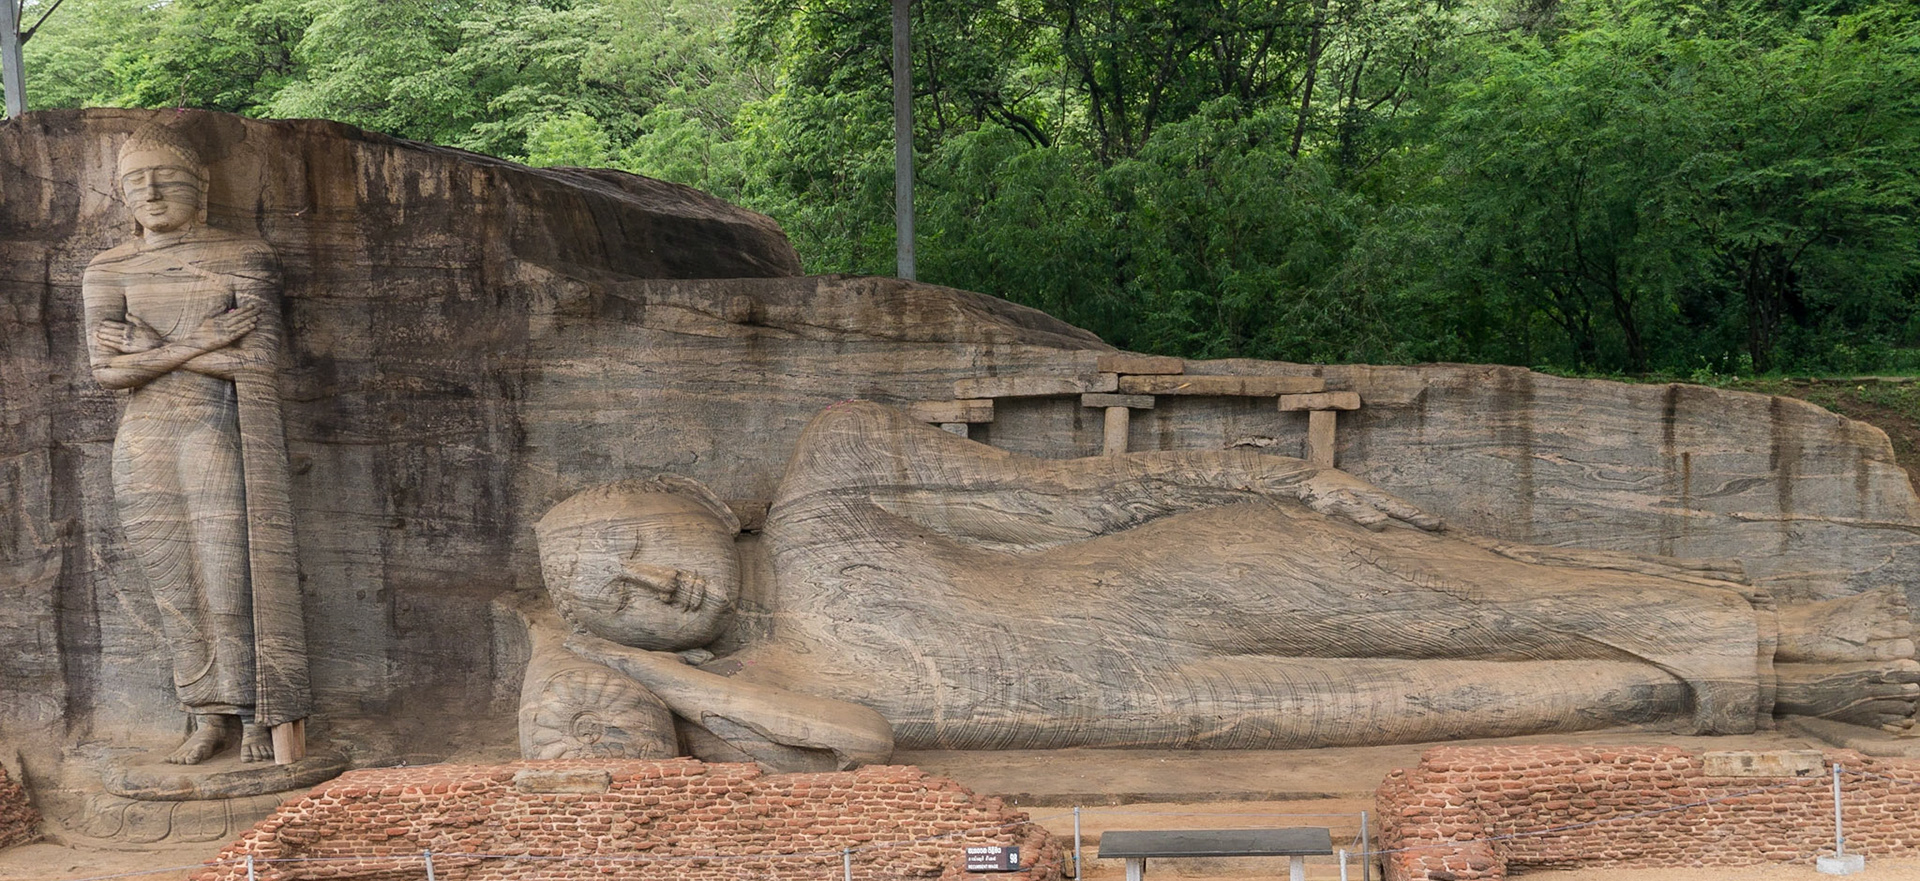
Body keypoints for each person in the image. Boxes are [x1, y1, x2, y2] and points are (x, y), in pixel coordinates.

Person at [546, 400, 1918, 763]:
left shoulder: (831, 478)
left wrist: (1275, 479)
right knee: (1526, 692)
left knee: (1492, 597)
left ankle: (1828, 628)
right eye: (611, 598)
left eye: (635, 547)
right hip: (1161, 701)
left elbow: (1084, 488)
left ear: (681, 500)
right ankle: (1822, 670)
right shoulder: (764, 687)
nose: (649, 589)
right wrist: (653, 676)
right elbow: (866, 737)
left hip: (1178, 583)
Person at [82, 119, 309, 765]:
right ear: (121, 195)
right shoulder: (109, 269)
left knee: (229, 577)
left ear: (201, 185)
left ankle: (256, 716)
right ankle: (203, 715)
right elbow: (107, 371)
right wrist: (202, 341)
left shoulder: (243, 255)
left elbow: (259, 360)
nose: (151, 192)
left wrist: (152, 351)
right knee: (173, 586)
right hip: (143, 441)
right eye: (136, 183)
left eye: (167, 178)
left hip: (212, 432)